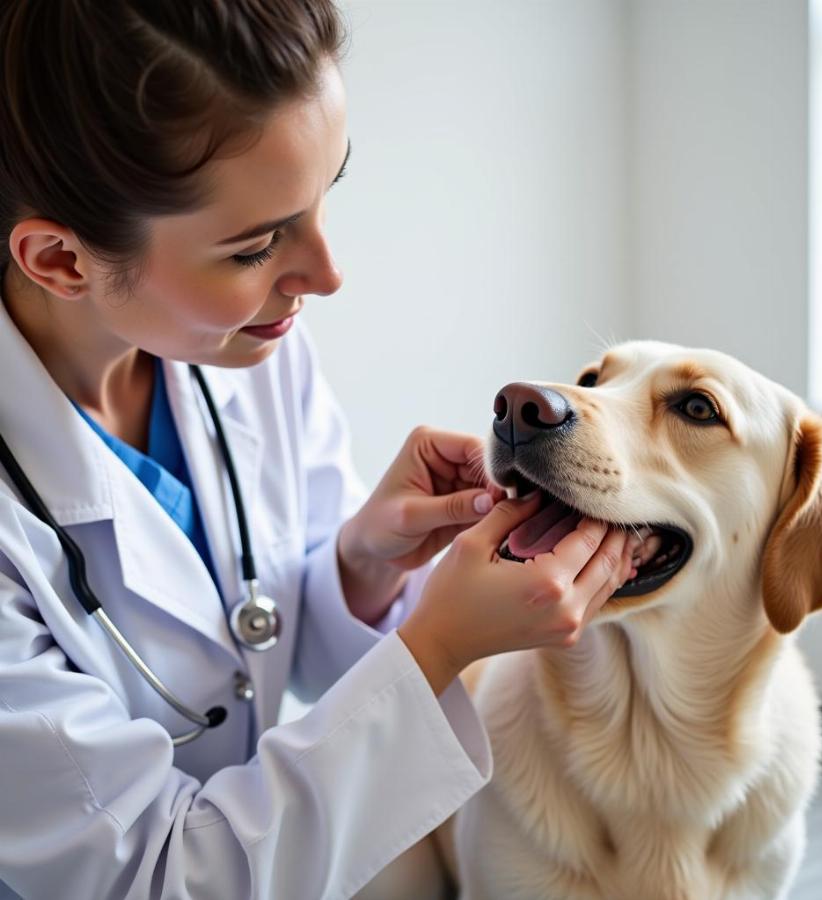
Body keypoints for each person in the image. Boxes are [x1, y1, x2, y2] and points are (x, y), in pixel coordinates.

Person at [0, 2, 642, 898]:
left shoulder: (246, 347)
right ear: (61, 261)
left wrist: (359, 566)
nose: (327, 273)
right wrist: (439, 644)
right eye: (258, 244)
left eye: (325, 193)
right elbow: (155, 877)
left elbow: (261, 645)